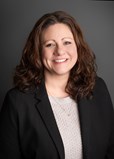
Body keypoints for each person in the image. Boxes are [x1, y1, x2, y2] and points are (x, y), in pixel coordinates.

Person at [0, 10, 114, 159]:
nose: (60, 51)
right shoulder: (17, 102)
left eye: (67, 42)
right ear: (37, 52)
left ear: (77, 47)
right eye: (49, 45)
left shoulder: (97, 88)